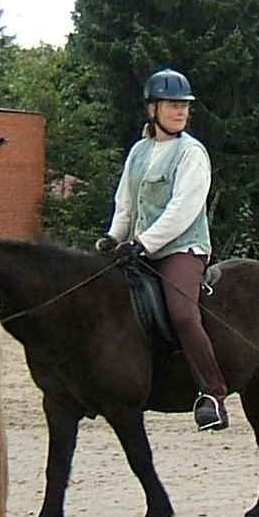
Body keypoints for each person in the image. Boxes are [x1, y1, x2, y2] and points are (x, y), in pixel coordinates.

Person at [101, 68, 232, 430]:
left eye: (184, 106)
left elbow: (183, 209)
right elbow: (125, 203)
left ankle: (212, 394)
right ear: (152, 109)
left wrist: (143, 243)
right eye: (172, 105)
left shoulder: (192, 153)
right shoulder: (139, 152)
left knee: (182, 314)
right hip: (139, 249)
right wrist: (114, 238)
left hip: (181, 250)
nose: (180, 112)